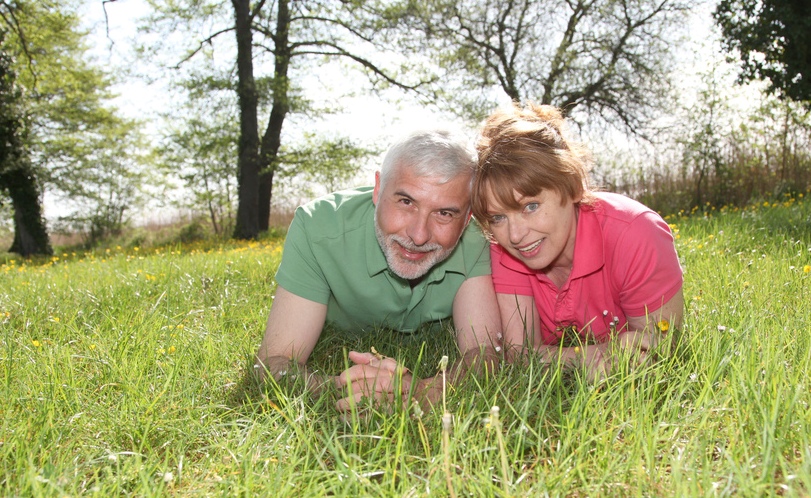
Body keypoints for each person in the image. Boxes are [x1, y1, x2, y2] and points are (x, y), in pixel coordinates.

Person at [255, 130, 502, 411]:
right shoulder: (316, 228)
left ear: (467, 217)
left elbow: (485, 354)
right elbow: (273, 362)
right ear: (377, 189)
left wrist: (422, 390)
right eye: (406, 202)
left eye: (445, 213)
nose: (419, 235)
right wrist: (348, 390)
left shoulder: (478, 238)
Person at [471, 103, 684, 381]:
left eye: (530, 206)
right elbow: (520, 356)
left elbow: (661, 352)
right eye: (498, 217)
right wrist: (593, 356)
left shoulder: (636, 234)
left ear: (572, 186)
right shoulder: (505, 250)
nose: (515, 235)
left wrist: (556, 359)